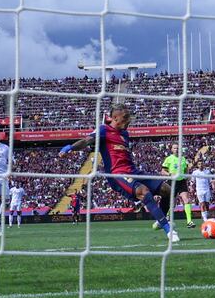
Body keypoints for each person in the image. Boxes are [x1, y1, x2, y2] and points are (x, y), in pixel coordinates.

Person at [59, 104, 180, 242]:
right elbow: (87, 141)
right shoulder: (103, 130)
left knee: (168, 190)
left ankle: (160, 220)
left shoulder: (124, 134)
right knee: (143, 192)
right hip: (117, 174)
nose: (129, 120)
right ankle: (168, 230)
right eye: (125, 118)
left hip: (133, 170)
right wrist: (70, 147)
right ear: (115, 118)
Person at [161, 143, 195, 229]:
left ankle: (189, 221)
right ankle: (168, 216)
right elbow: (163, 171)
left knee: (186, 200)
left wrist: (187, 177)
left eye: (178, 148)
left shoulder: (183, 159)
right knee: (172, 202)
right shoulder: (168, 159)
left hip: (182, 181)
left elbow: (186, 170)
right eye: (175, 148)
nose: (176, 149)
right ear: (172, 150)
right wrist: (169, 174)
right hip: (172, 182)